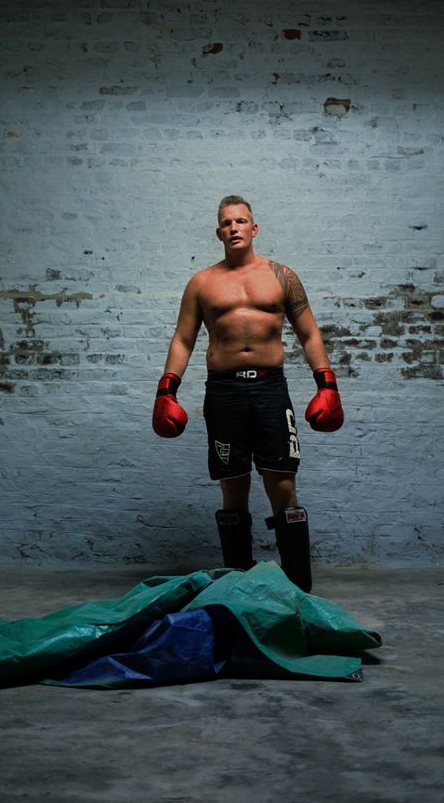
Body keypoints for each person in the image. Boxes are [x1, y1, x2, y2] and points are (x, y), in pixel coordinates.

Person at [152, 195, 344, 591]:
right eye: (227, 223)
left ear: (254, 229)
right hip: (224, 392)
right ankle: (238, 588)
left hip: (270, 388)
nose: (234, 227)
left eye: (241, 221)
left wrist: (326, 383)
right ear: (218, 232)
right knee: (233, 486)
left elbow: (308, 333)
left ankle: (298, 590)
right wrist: (166, 391)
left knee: (283, 485)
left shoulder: (281, 276)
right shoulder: (202, 283)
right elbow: (183, 339)